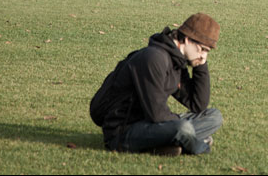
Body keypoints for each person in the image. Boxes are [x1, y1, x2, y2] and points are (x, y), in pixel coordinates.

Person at [89, 13, 223, 156]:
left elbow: (197, 104)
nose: (203, 55)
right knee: (183, 128)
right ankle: (197, 145)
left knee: (214, 117)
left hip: (150, 124)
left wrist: (200, 65)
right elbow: (157, 114)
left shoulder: (177, 61)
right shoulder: (154, 58)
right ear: (187, 39)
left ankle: (169, 143)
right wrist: (180, 125)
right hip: (123, 132)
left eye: (207, 52)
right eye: (202, 49)